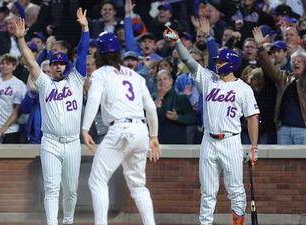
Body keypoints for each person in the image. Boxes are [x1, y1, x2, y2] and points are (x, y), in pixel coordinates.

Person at [163, 26, 260, 225]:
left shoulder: (244, 89)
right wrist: (177, 42)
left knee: (235, 190)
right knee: (207, 191)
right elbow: (188, 61)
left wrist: (253, 147)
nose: (218, 63)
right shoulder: (209, 79)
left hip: (231, 141)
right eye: (217, 60)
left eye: (222, 60)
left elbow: (252, 118)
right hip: (208, 140)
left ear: (231, 63)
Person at [14, 8, 89, 225]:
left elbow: (83, 53)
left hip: (73, 143)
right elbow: (30, 61)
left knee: (71, 190)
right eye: (54, 63)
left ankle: (68, 221)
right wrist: (21, 40)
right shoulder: (45, 84)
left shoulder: (75, 80)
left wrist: (85, 28)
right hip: (50, 143)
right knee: (51, 187)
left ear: (66, 65)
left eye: (61, 63)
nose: (58, 66)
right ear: (50, 66)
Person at [81, 32, 161, 225]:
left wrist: (85, 127)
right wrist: (154, 136)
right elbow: (150, 107)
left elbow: (93, 98)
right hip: (141, 130)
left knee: (97, 180)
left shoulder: (100, 73)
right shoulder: (134, 75)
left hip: (121, 129)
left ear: (99, 54)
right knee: (138, 186)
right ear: (118, 53)